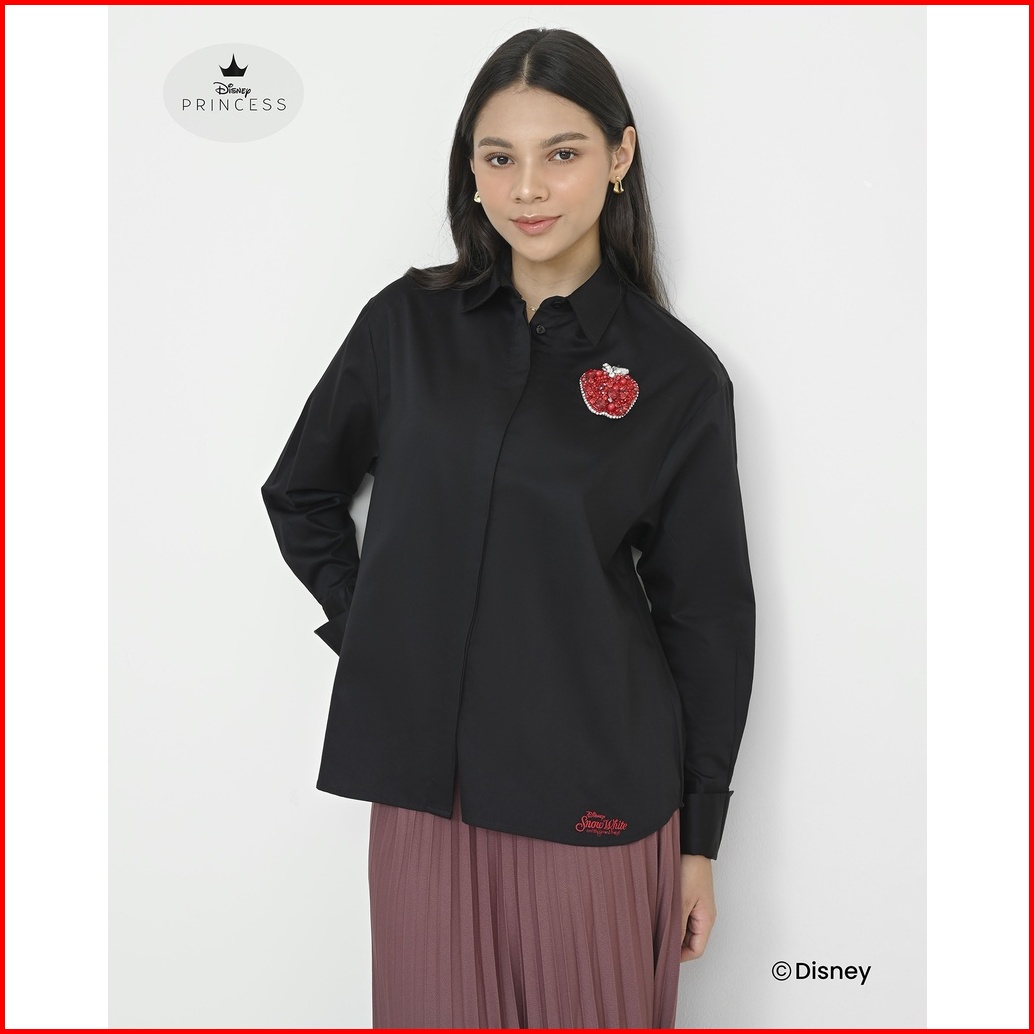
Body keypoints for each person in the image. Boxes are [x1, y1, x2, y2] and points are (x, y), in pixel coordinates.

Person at [261, 26, 756, 1030]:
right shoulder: (403, 327)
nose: (527, 188)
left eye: (560, 153)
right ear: (471, 170)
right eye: (498, 157)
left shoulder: (676, 376)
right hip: (425, 793)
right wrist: (380, 633)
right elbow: (301, 494)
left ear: (618, 156)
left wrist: (699, 839)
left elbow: (706, 615)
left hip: (598, 793)